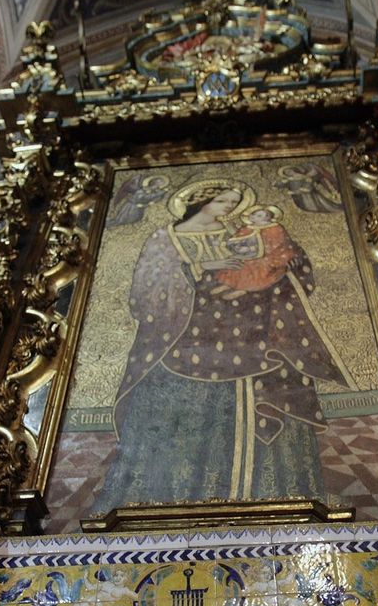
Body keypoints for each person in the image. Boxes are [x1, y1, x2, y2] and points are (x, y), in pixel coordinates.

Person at [91, 178, 352, 513]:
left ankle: (280, 493)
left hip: (251, 334)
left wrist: (278, 262)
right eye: (223, 202)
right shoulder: (165, 239)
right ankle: (170, 498)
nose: (229, 208)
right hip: (186, 344)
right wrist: (199, 267)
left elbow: (278, 261)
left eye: (233, 203)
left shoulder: (238, 232)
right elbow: (145, 292)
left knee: (275, 384)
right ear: (201, 201)